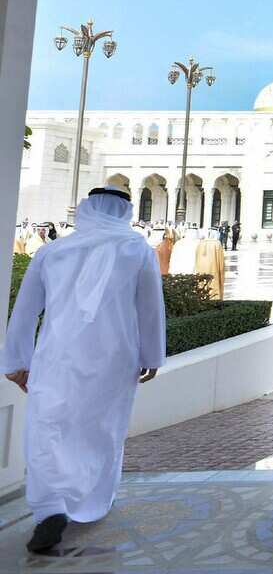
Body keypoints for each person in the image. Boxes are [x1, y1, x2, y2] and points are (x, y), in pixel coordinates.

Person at [4, 186, 165, 554]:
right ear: (125, 212)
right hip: (114, 358)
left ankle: (50, 508)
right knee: (101, 430)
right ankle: (88, 503)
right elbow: (150, 309)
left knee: (47, 426)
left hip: (57, 356)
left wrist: (16, 361)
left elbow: (26, 310)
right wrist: (152, 355)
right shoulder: (137, 249)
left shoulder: (53, 250)